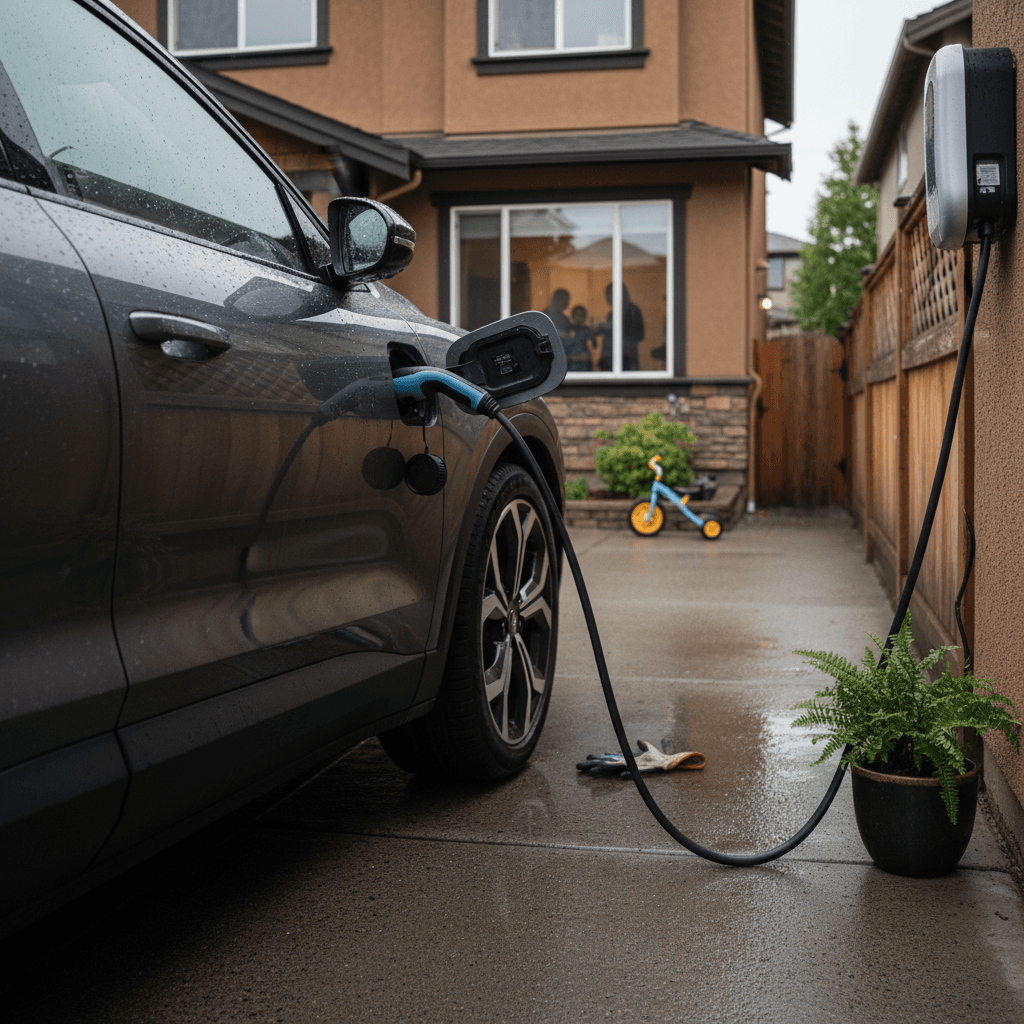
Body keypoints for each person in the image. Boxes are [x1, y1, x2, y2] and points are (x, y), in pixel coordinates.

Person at [595, 283, 645, 371]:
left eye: (611, 293)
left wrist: (613, 327)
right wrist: (599, 329)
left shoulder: (631, 309)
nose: (608, 297)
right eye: (607, 294)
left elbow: (638, 335)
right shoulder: (611, 313)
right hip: (609, 359)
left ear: (622, 293)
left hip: (625, 358)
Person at [565, 304, 593, 371]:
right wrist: (570, 356)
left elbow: (594, 346)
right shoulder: (568, 329)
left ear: (585, 317)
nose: (579, 318)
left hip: (585, 363)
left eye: (581, 315)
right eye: (577, 315)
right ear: (572, 316)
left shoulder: (587, 330)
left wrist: (588, 355)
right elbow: (565, 345)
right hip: (571, 363)